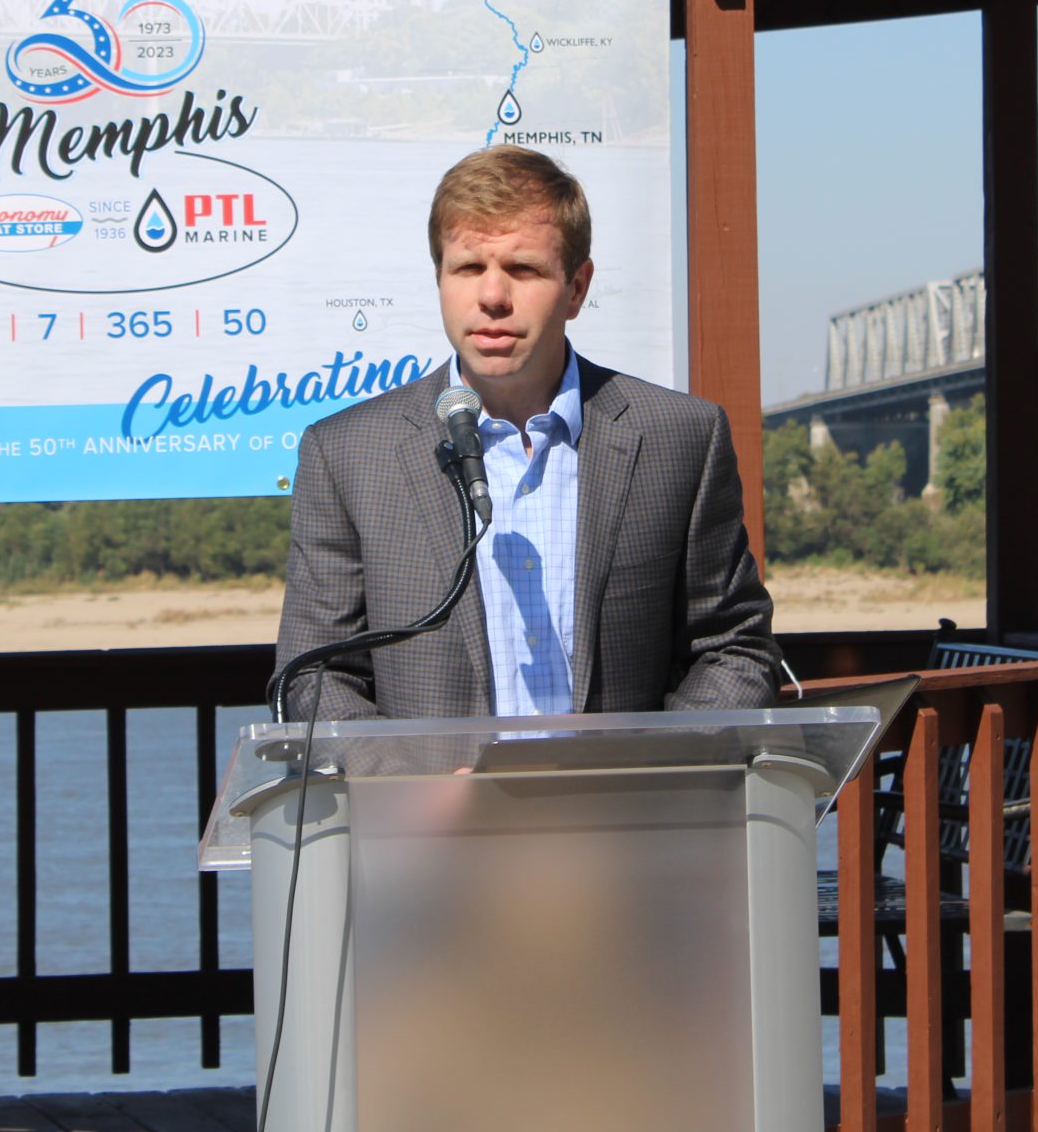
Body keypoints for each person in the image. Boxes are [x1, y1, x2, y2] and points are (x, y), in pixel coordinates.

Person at [274, 144, 779, 719]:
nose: (492, 297)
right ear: (439, 278)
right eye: (468, 268)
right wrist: (417, 780)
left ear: (578, 287)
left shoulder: (680, 437)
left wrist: (650, 770)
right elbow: (312, 674)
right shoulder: (348, 454)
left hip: (623, 805)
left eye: (523, 269)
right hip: (429, 806)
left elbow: (734, 647)